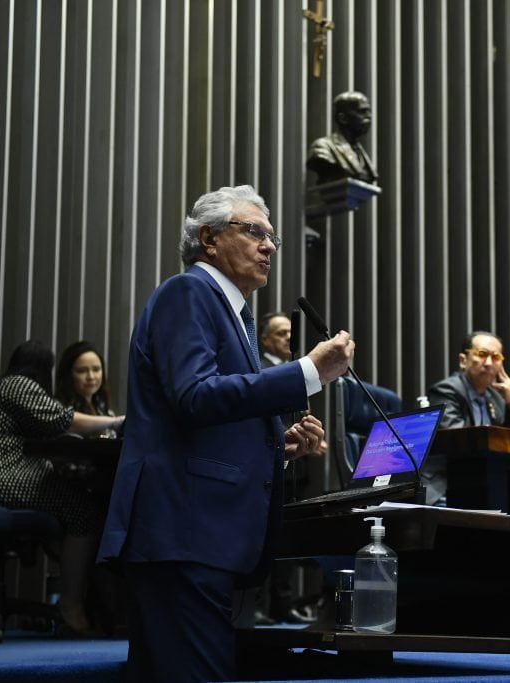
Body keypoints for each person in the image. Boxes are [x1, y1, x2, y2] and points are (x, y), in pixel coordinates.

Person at [97, 185, 353, 681]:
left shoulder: (233, 313)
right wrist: (308, 372)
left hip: (200, 536)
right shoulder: (189, 292)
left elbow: (208, 420)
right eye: (254, 231)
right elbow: (193, 395)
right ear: (209, 238)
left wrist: (279, 446)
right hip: (183, 530)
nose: (269, 245)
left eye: (272, 237)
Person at [0, 340, 125, 635]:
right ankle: (71, 604)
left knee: (82, 505)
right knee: (82, 512)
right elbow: (63, 420)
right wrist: (116, 422)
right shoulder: (18, 385)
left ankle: (91, 604)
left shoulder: (7, 386)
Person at [423, 331, 510, 504]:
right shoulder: (445, 390)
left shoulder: (497, 397)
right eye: (481, 354)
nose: (488, 363)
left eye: (495, 357)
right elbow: (457, 439)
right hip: (447, 481)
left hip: (484, 481)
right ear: (463, 360)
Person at [306, 91, 379, 185]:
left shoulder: (360, 152)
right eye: (362, 112)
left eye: (369, 112)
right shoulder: (322, 147)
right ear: (343, 118)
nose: (369, 117)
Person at [55, 340, 118, 437]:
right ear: (68, 375)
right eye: (82, 371)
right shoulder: (57, 411)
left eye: (96, 369)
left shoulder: (105, 410)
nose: (91, 377)